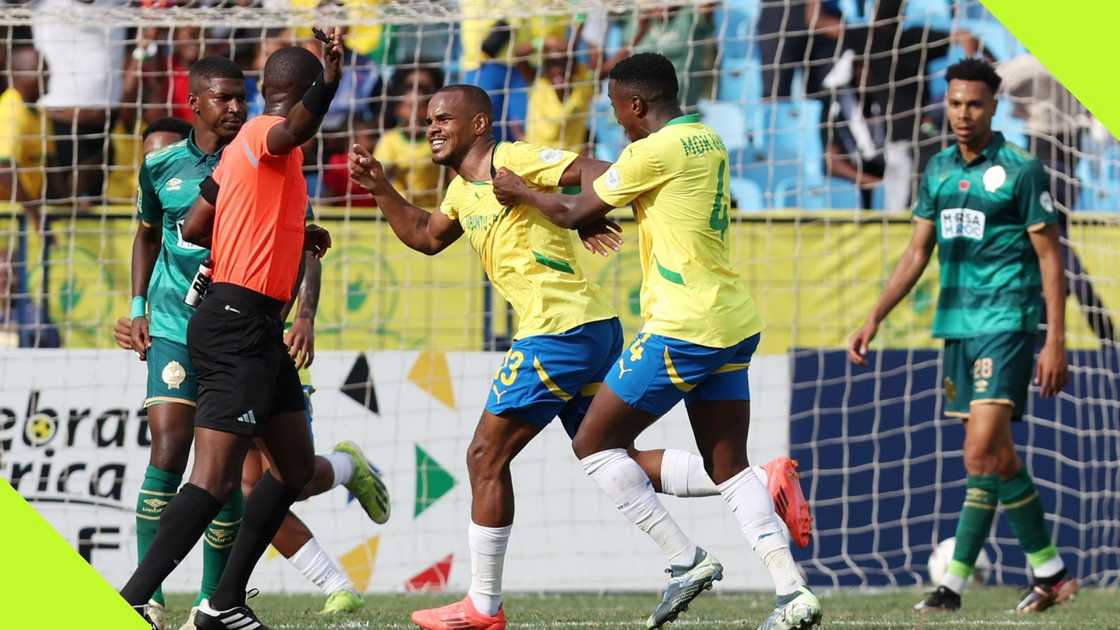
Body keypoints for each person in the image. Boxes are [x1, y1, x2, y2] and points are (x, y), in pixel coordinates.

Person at [490, 53, 822, 630]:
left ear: (637, 104)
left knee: (593, 443)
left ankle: (684, 561)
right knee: (729, 467)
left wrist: (520, 191)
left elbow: (572, 212)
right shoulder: (707, 139)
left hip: (682, 325)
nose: (616, 119)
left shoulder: (652, 151)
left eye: (617, 106)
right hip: (732, 320)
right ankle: (792, 593)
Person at [119, 34, 345, 630]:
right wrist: (333, 79)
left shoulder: (239, 157)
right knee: (213, 478)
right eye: (307, 103)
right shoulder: (268, 137)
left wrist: (286, 234)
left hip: (257, 328)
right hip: (235, 324)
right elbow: (294, 129)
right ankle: (130, 600)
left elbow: (194, 226)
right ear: (293, 100)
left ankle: (222, 604)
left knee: (293, 469)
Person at [847, 58, 1077, 614]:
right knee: (994, 459)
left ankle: (951, 586)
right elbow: (917, 252)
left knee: (980, 451)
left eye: (973, 104)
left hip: (1007, 324)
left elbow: (1051, 260)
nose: (962, 114)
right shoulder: (939, 171)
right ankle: (1050, 573)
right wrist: (874, 315)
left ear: (994, 106)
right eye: (954, 104)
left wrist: (1055, 340)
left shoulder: (1021, 170)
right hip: (956, 328)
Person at [0, 45, 51, 232]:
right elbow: (3, 168)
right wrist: (35, 214)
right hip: (7, 216)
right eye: (41, 69)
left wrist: (71, 202)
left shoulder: (40, 115)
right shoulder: (11, 110)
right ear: (20, 74)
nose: (47, 75)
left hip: (23, 215)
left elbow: (51, 167)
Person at [525, 35, 595, 154]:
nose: (558, 70)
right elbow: (518, 54)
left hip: (570, 162)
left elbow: (600, 67)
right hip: (537, 158)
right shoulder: (539, 84)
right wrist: (543, 41)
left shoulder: (583, 86)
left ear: (571, 67)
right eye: (552, 64)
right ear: (545, 68)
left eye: (562, 64)